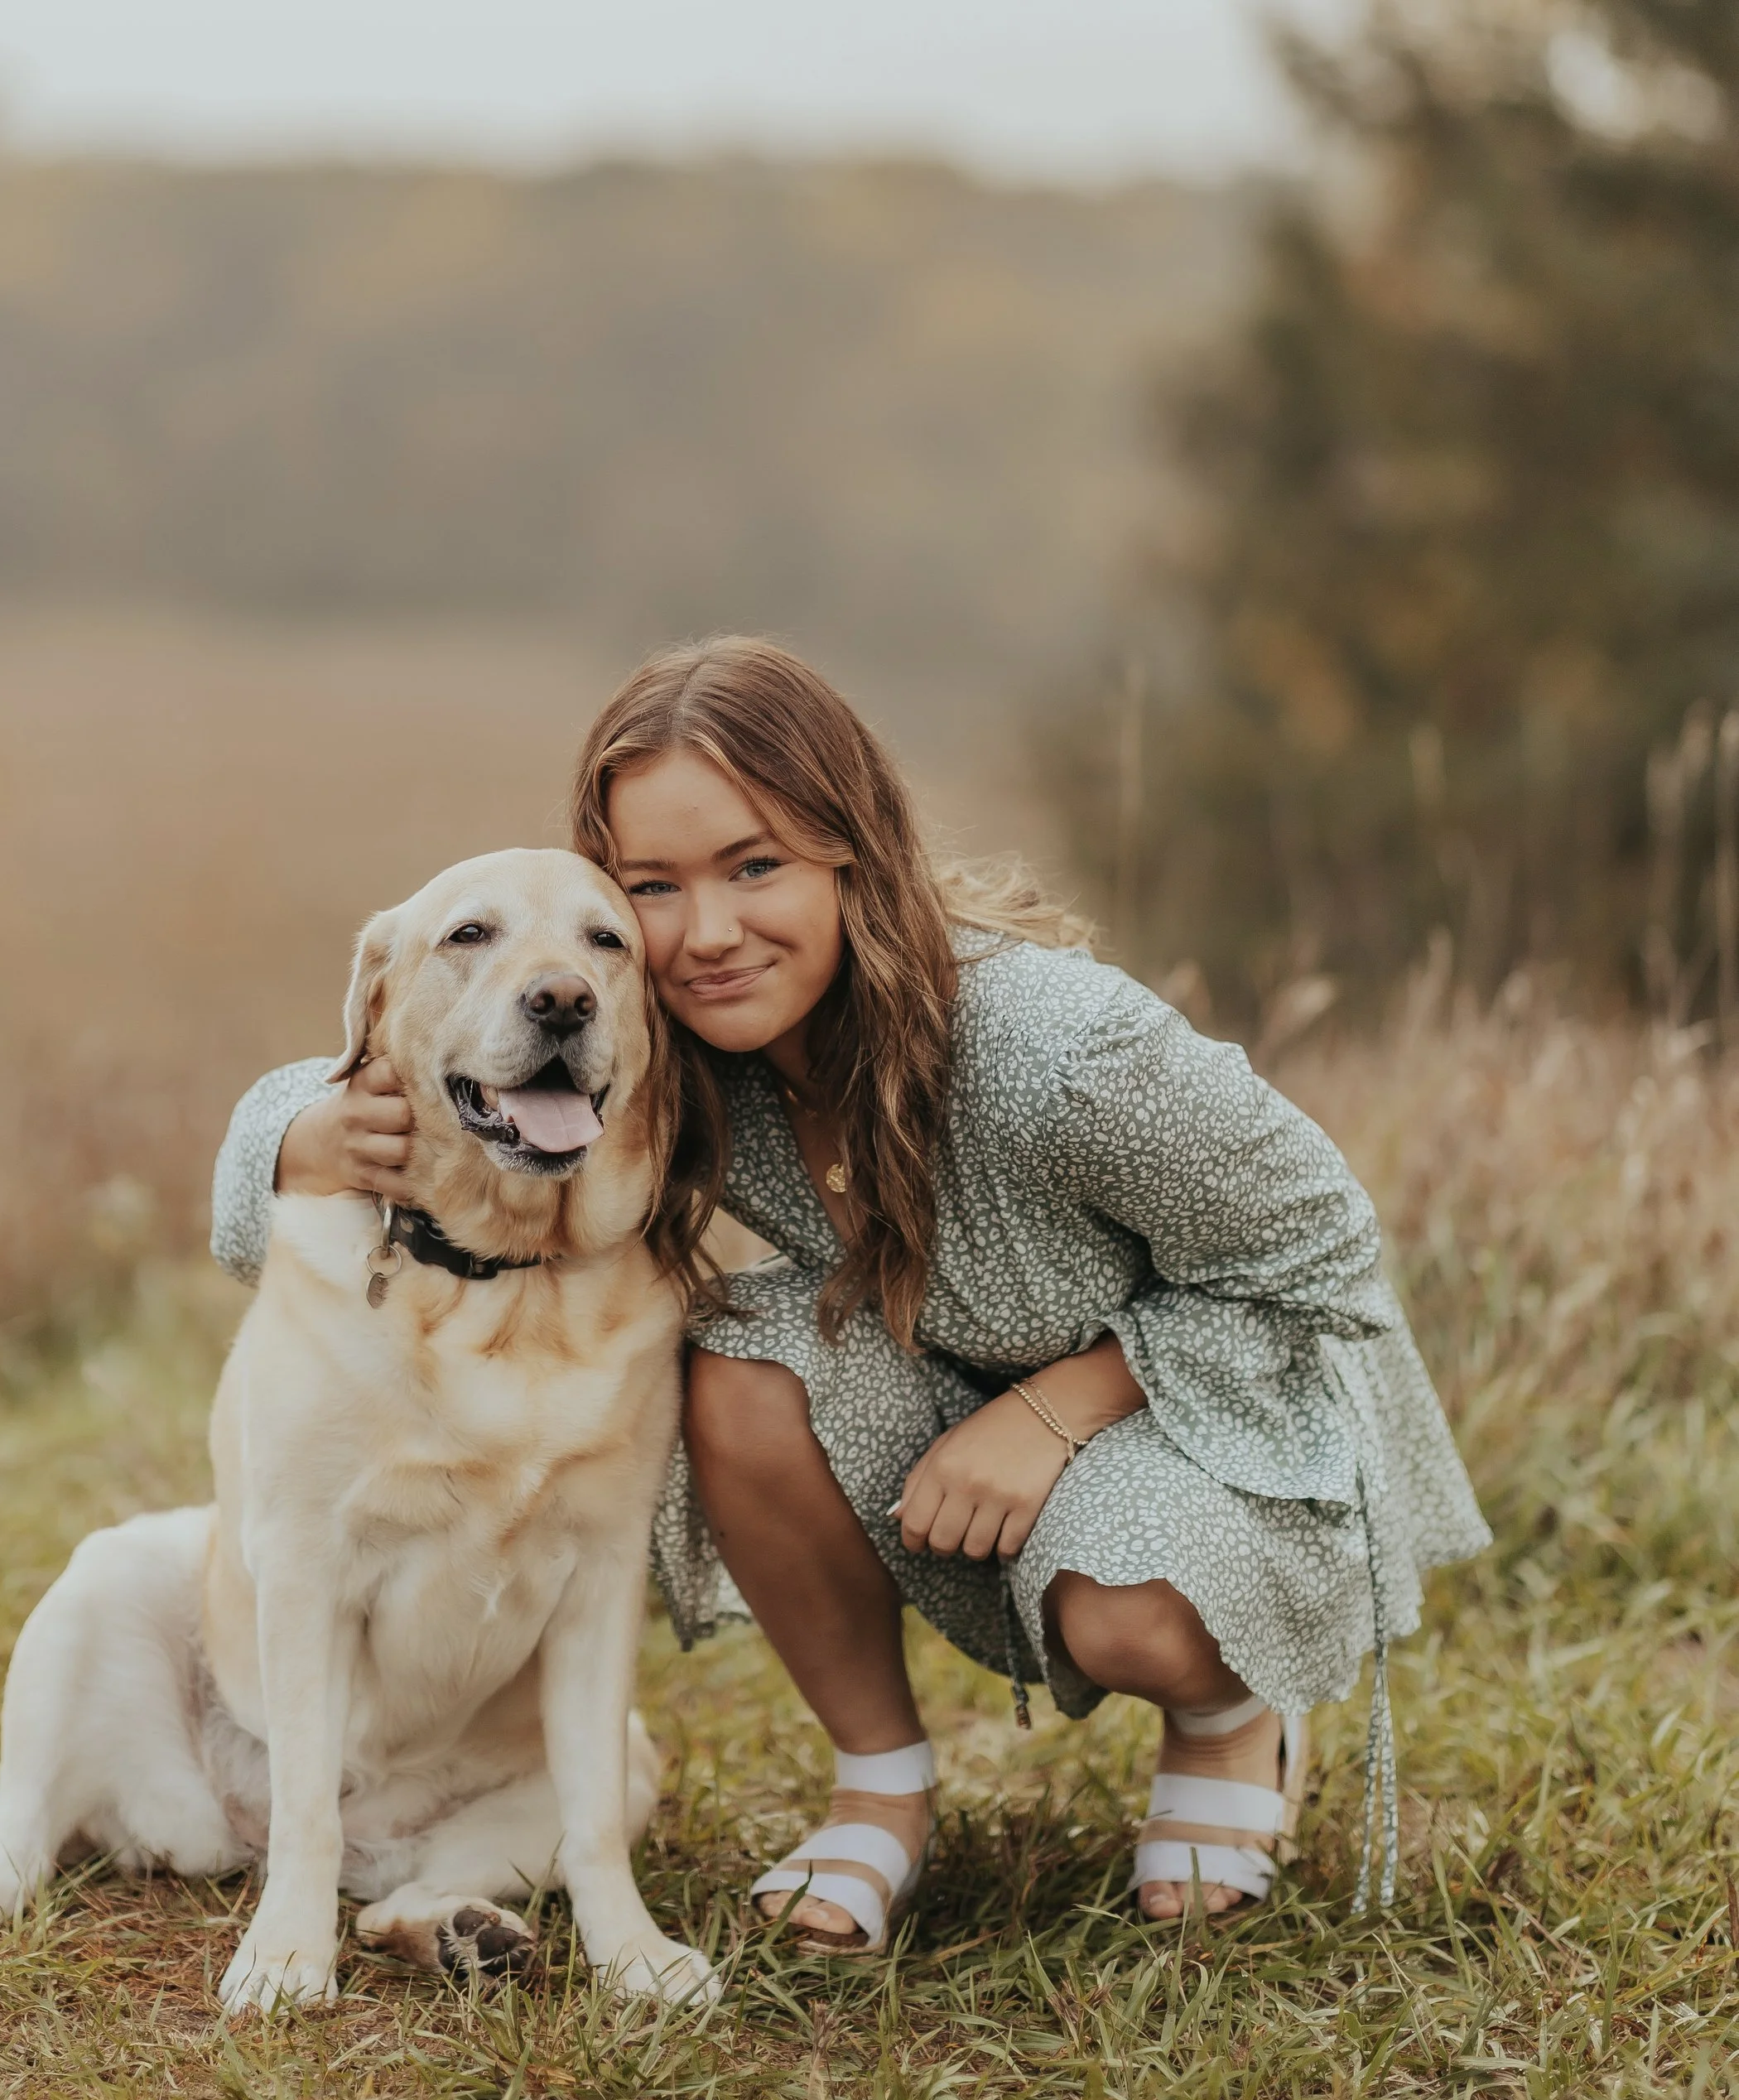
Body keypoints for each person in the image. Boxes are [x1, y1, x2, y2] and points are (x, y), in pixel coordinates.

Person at [210, 638, 1487, 1943]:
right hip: (951, 1380)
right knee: (738, 1360)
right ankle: (882, 1782)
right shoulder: (675, 1044)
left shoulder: (1065, 1049)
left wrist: (1051, 1413)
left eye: (755, 865)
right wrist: (293, 1139)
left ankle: (1233, 1726)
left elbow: (1327, 1250)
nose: (708, 931)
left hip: (1215, 1405)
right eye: (653, 885)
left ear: (852, 850)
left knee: (1125, 1610)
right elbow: (409, 1036)